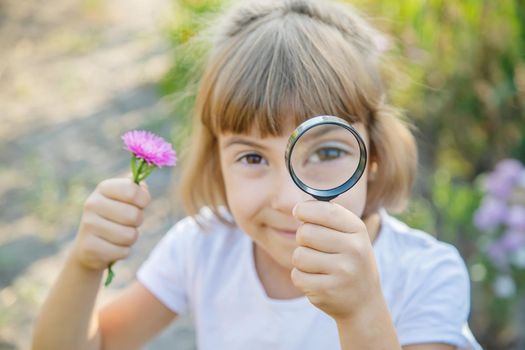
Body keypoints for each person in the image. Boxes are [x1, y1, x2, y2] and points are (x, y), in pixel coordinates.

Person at [31, 0, 483, 349]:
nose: (290, 199)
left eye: (326, 151)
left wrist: (362, 312)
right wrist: (85, 265)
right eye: (252, 158)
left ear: (377, 153)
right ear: (217, 163)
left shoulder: (425, 274)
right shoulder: (204, 248)